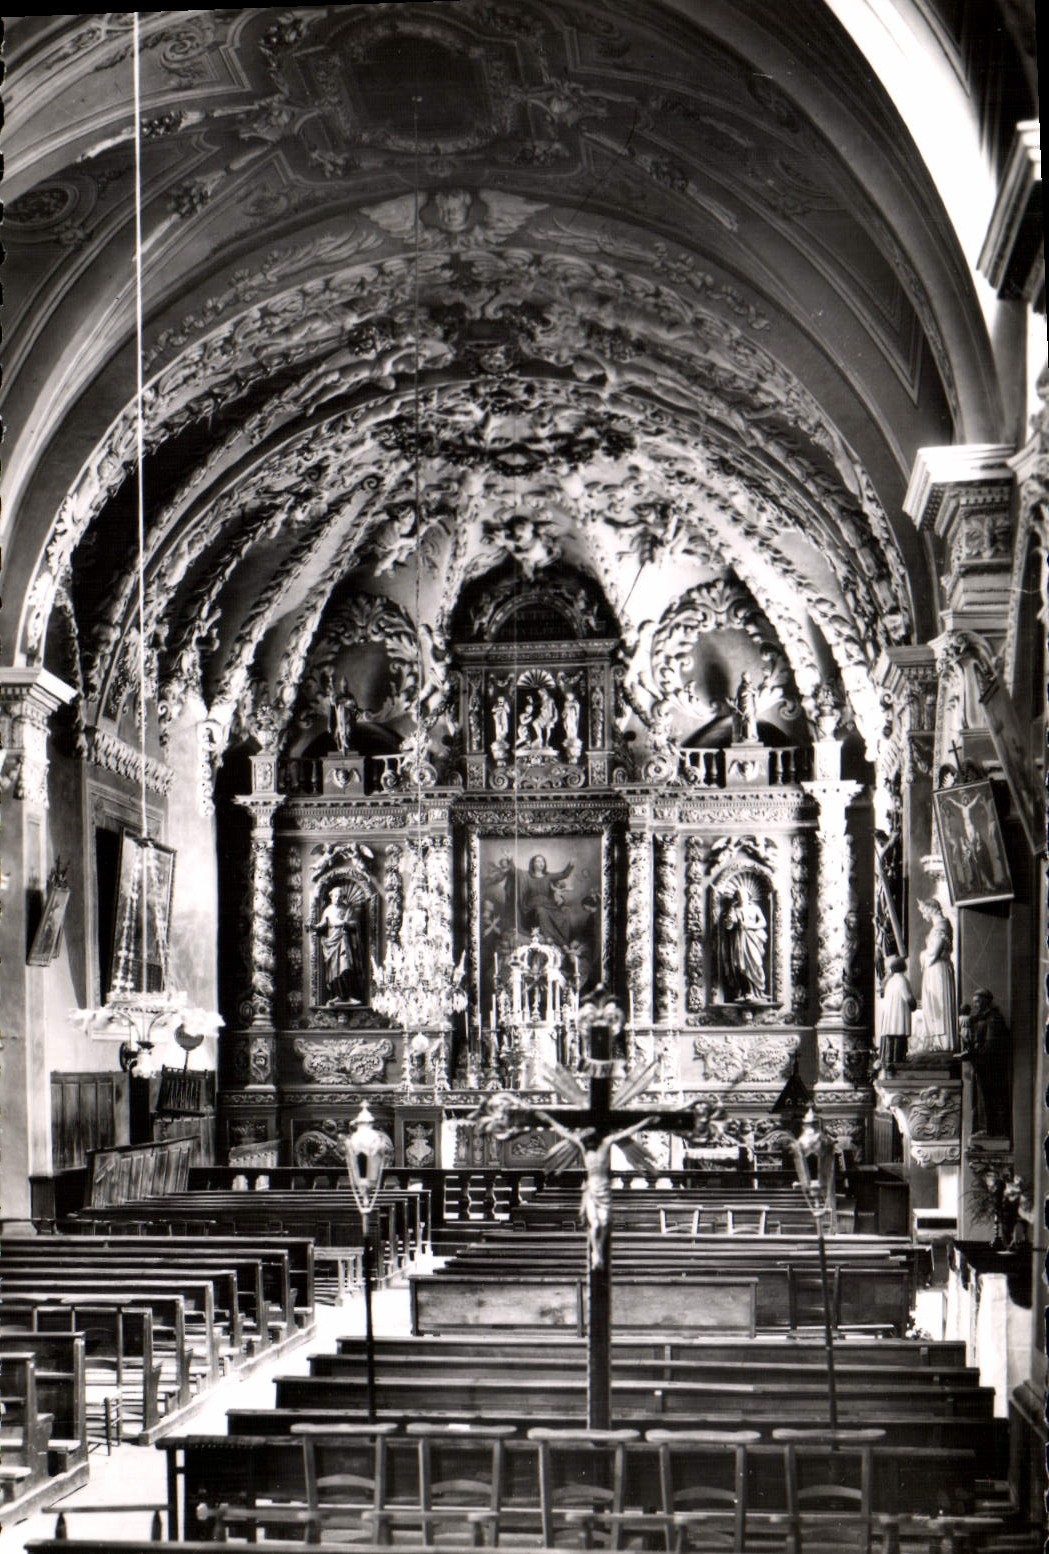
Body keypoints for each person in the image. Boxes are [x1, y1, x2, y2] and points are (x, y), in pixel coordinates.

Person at [961, 988, 1011, 1137]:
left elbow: (991, 1046)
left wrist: (973, 1054)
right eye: (974, 1002)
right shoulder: (983, 1017)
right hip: (984, 1065)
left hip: (992, 1066)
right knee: (985, 1098)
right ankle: (990, 1129)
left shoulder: (994, 1019)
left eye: (978, 1001)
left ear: (986, 1001)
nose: (975, 1005)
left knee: (993, 1098)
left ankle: (996, 1130)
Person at [917, 897, 957, 1052]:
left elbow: (933, 952)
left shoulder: (941, 926)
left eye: (923, 911)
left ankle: (941, 1043)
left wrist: (922, 954)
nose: (922, 915)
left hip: (937, 970)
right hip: (934, 970)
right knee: (933, 1005)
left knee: (938, 1004)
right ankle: (935, 1041)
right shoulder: (940, 926)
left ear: (930, 909)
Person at [313, 885, 365, 1003]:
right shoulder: (328, 910)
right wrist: (315, 927)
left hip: (344, 940)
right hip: (331, 942)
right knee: (334, 970)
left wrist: (342, 923)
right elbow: (323, 924)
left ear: (343, 898)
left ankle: (351, 995)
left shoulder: (348, 909)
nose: (337, 898)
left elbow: (354, 924)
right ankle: (339, 995)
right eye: (335, 896)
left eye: (340, 896)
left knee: (346, 966)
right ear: (331, 896)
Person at [718, 881, 767, 1002]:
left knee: (756, 962)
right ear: (736, 897)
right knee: (740, 965)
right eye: (738, 895)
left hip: (752, 938)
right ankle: (747, 991)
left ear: (748, 896)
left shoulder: (754, 908)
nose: (741, 897)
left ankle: (759, 990)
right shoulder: (734, 909)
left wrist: (751, 926)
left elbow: (763, 922)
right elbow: (729, 925)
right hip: (739, 939)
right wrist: (729, 921)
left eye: (743, 894)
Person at [877, 955, 916, 1074]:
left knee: (891, 1037)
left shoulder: (890, 981)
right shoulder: (902, 980)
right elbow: (907, 996)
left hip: (890, 1014)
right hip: (899, 1013)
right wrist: (913, 1004)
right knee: (899, 1035)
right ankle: (898, 1061)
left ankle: (890, 1060)